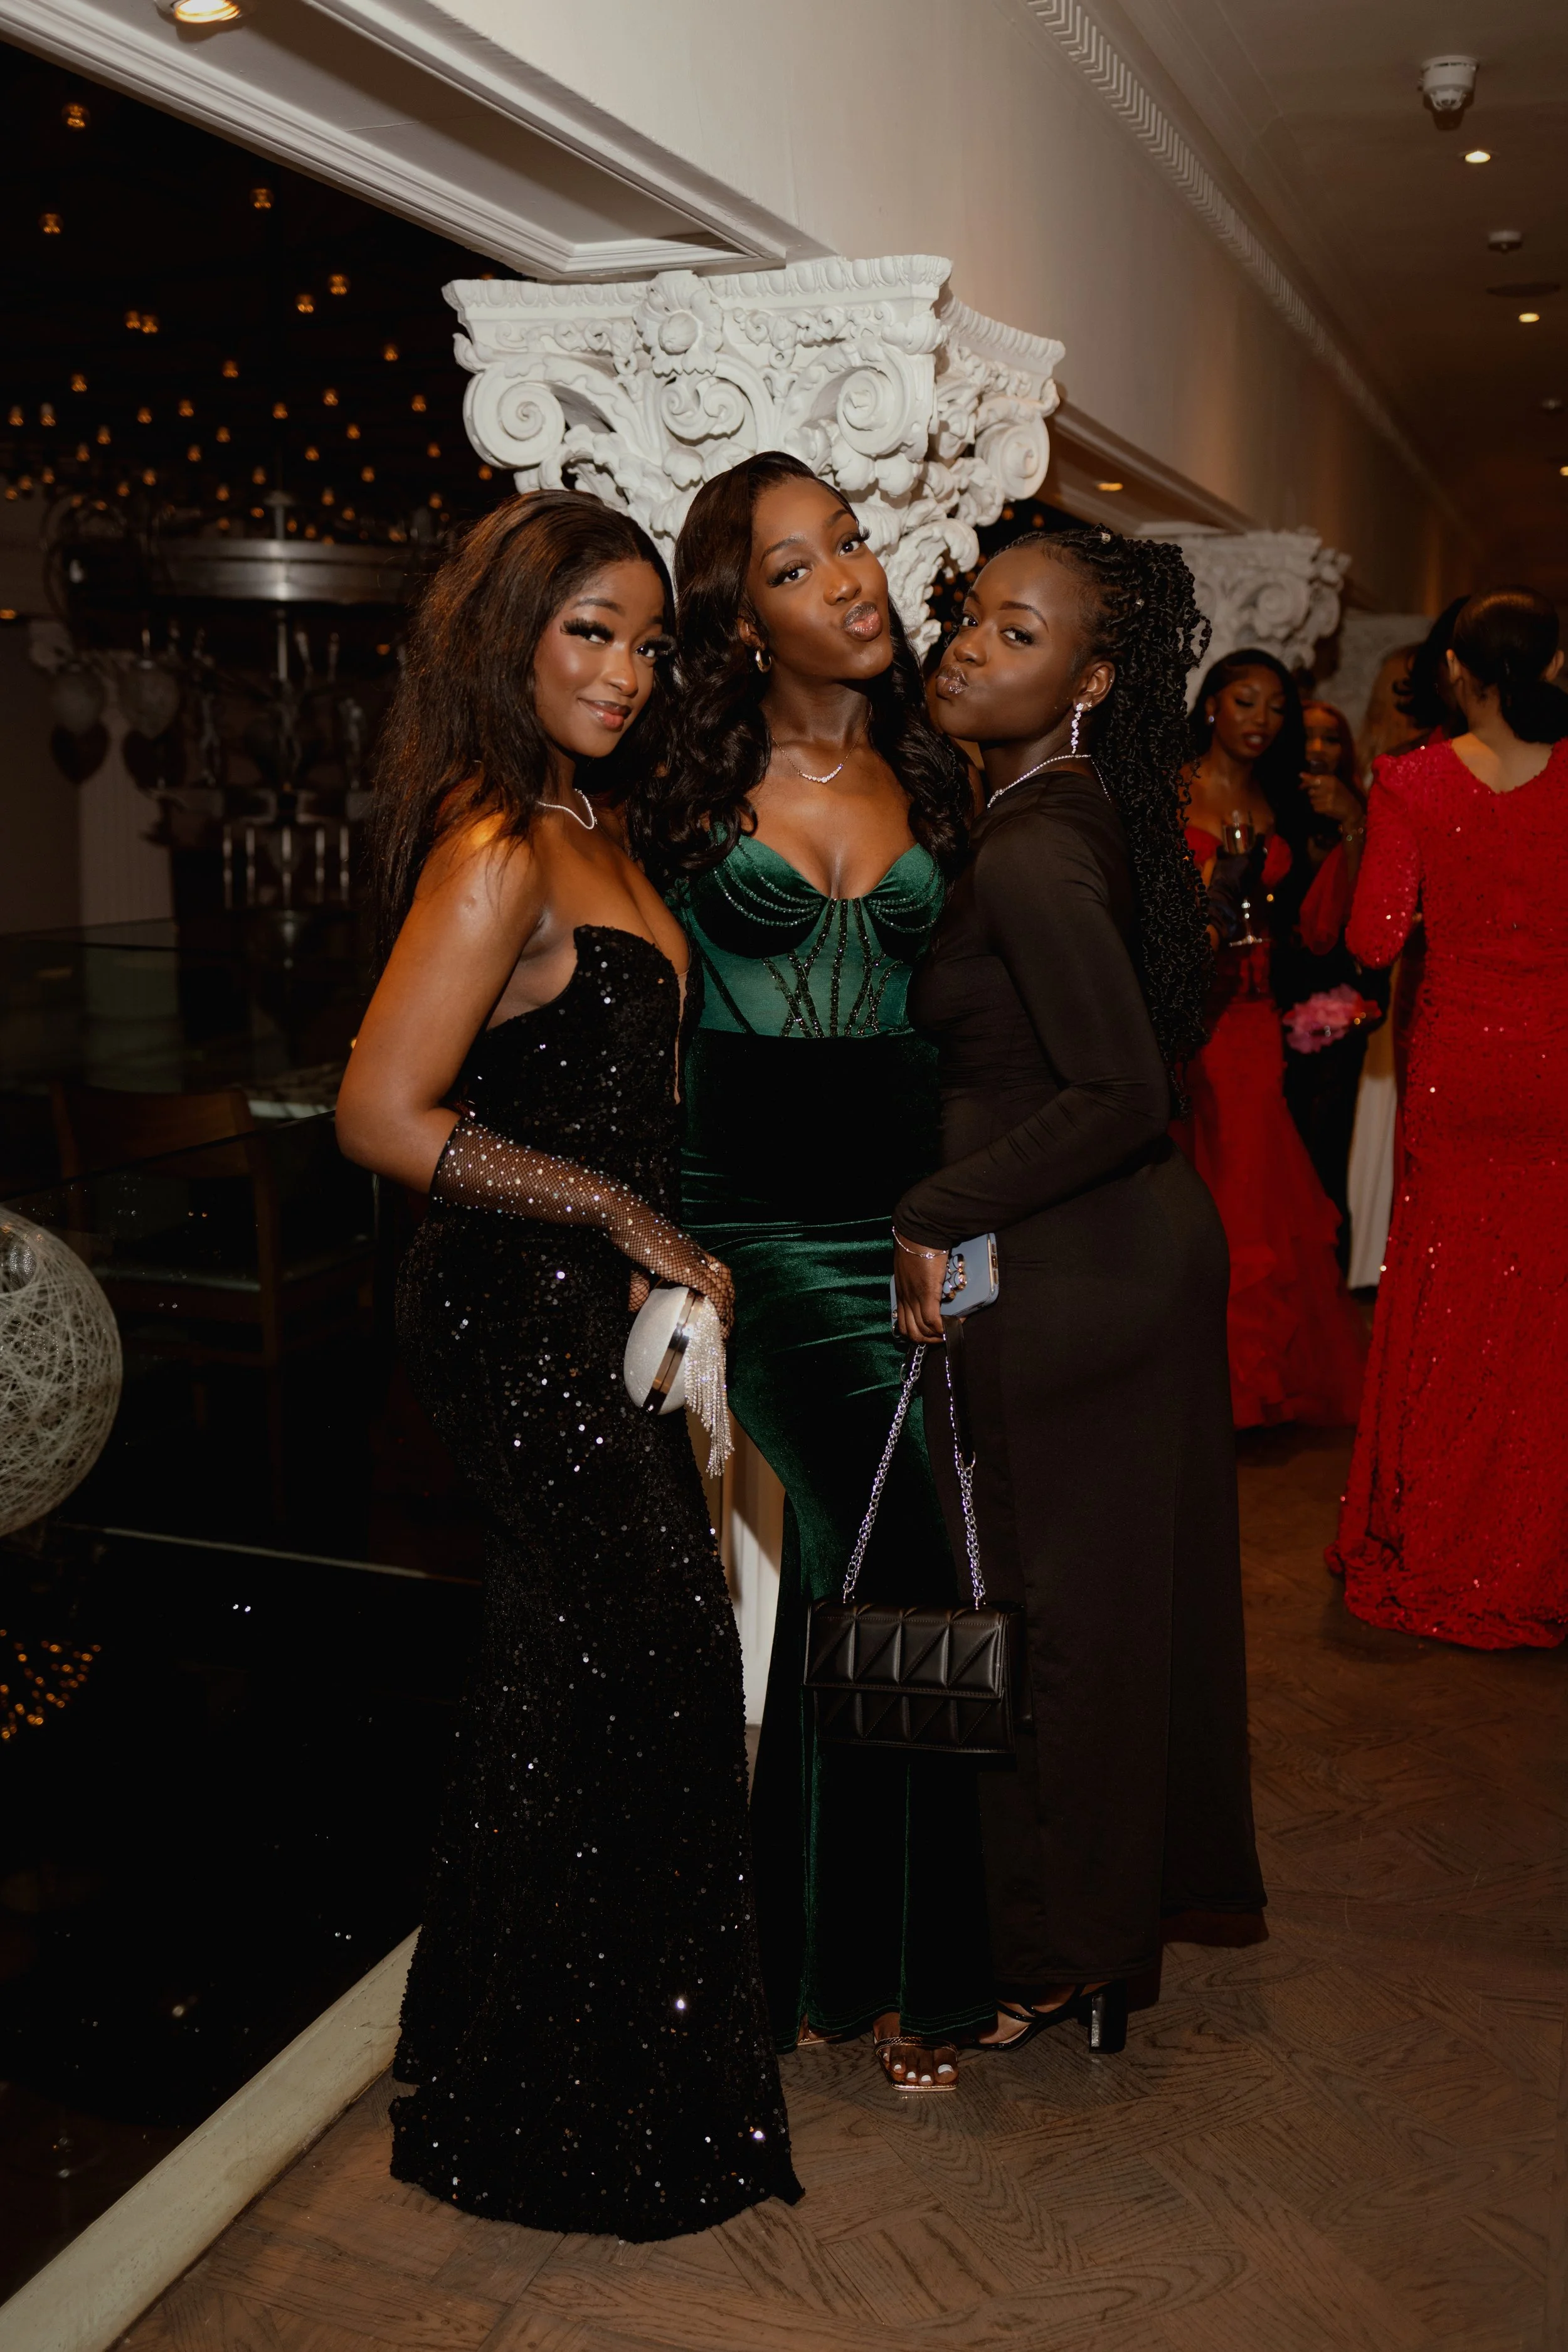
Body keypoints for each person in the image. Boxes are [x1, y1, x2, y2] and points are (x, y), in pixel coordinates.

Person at [334, 492, 801, 2237]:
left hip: (593, 1310)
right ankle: (584, 2102)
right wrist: (617, 1212)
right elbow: (380, 1112)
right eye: (588, 631)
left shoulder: (587, 820)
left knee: (563, 1675)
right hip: (511, 1312)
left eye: (645, 640)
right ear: (507, 635)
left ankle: (513, 2080)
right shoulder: (493, 843)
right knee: (661, 1660)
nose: (623, 670)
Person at [644, 450, 990, 2093]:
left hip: (914, 1226)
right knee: (903, 1553)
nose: (848, 577)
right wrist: (645, 1236)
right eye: (795, 566)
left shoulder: (940, 774)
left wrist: (968, 1221)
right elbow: (630, 1031)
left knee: (862, 1582)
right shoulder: (678, 795)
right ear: (740, 620)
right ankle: (919, 1966)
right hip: (759, 1235)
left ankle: (810, 1952)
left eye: (847, 541)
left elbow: (971, 1034)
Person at [892, 526, 1265, 2047]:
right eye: (972, 616)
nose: (971, 646)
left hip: (1069, 1265)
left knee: (1048, 1619)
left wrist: (929, 1208)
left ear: (1091, 682)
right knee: (1096, 1617)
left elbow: (1121, 1093)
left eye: (1019, 633)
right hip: (1102, 1255)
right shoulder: (1061, 813)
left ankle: (1049, 1955)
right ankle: (1090, 1941)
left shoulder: (1032, 845)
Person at [1329, 586, 1568, 1649]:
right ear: (1550, 667)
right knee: (1549, 1303)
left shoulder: (1412, 779)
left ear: (1459, 672)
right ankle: (1536, 1542)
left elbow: (1374, 939)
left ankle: (1435, 1530)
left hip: (1460, 1069)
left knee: (1446, 1292)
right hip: (1558, 1068)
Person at [1176, 649, 1365, 1427]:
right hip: (1190, 1013)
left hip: (1253, 1016)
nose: (1262, 719)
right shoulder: (1170, 787)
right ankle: (1189, 1378)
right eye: (1245, 701)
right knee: (1196, 1185)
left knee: (1252, 1193)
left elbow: (1326, 930)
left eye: (1276, 706)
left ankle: (1246, 1382)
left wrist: (1352, 825)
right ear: (1211, 705)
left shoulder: (1284, 797)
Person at [1279, 698, 1388, 1246]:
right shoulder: (1270, 804)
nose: (1318, 749)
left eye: (1331, 738)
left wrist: (1353, 822)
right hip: (1271, 997)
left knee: (1325, 1154)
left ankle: (1330, 1271)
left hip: (1338, 1004)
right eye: (1308, 737)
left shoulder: (1364, 811)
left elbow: (1370, 909)